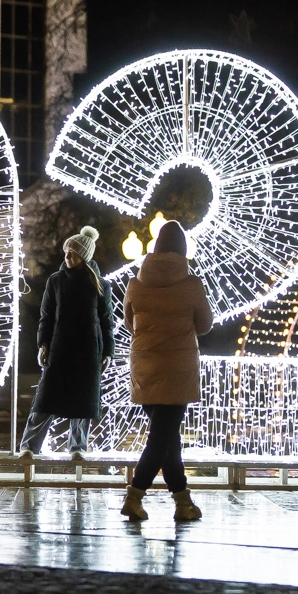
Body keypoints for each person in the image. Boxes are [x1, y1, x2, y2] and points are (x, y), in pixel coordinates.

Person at [120, 220, 213, 521]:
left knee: (167, 438)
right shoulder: (192, 285)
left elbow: (129, 324)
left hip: (144, 367)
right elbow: (205, 325)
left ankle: (183, 502)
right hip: (177, 370)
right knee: (162, 439)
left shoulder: (136, 284)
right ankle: (134, 495)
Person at [18, 226, 114, 460]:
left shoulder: (100, 285)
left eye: (73, 253)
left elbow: (106, 320)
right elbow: (46, 315)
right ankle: (29, 446)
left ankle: (78, 447)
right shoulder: (56, 281)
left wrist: (107, 352)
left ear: (84, 256)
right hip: (60, 348)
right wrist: (43, 343)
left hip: (89, 349)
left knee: (83, 400)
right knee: (46, 398)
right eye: (66, 252)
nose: (67, 257)